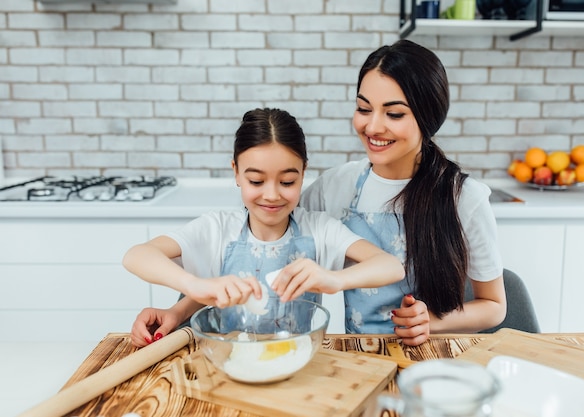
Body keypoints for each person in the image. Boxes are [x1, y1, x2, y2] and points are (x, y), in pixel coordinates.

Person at [123, 107, 405, 348]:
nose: (271, 195)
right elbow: (136, 255)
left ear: (303, 173)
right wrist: (194, 287)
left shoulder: (319, 229)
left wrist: (336, 279)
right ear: (236, 172)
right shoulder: (218, 228)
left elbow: (391, 266)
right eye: (256, 181)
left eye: (287, 182)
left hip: (295, 362)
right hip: (232, 363)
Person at [300, 40, 507, 346]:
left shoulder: (463, 198)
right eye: (363, 108)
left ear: (427, 117)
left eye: (394, 114)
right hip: (360, 358)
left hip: (431, 360)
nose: (372, 126)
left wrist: (431, 321)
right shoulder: (335, 187)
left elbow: (494, 307)